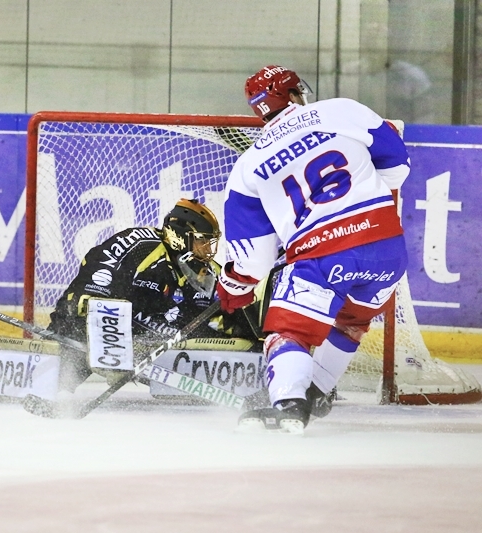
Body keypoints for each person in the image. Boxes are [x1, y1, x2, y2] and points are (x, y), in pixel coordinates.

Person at [218, 65, 411, 433]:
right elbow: (398, 167)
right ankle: (317, 391)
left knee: (289, 334)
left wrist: (234, 284)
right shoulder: (342, 110)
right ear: (294, 94)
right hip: (387, 249)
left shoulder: (247, 167)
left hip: (322, 257)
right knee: (351, 321)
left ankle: (289, 404)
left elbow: (254, 261)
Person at [49, 198, 257, 391]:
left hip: (151, 344)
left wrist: (252, 332)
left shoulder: (206, 271)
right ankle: (50, 388)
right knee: (73, 337)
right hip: (104, 330)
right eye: (201, 241)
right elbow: (94, 282)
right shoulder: (139, 244)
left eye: (208, 242)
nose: (206, 249)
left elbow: (228, 310)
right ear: (180, 237)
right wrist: (108, 340)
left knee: (236, 339)